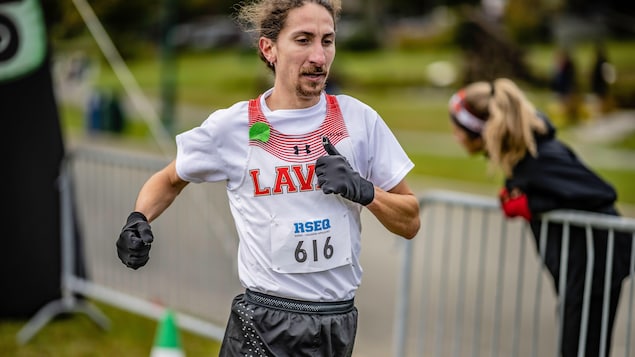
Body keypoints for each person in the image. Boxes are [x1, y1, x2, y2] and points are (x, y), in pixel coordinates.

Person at [116, 1, 421, 356]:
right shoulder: (235, 127)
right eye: (303, 40)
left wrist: (366, 191)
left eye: (327, 40)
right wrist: (137, 218)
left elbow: (410, 220)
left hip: (336, 324)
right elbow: (169, 179)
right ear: (269, 48)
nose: (319, 57)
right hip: (264, 326)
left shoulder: (359, 120)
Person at [447, 78, 632, 357]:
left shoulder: (538, 157)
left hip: (595, 263)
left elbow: (601, 192)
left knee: (580, 349)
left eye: (458, 129)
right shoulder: (525, 155)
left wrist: (530, 204)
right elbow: (561, 192)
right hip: (582, 265)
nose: (455, 136)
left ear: (478, 132)